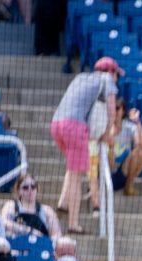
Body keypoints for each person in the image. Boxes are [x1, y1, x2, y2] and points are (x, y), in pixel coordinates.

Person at [51, 57, 120, 235]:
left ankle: (63, 203)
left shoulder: (80, 77)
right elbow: (112, 112)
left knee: (72, 168)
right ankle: (73, 223)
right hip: (74, 127)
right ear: (111, 72)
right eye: (116, 74)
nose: (117, 78)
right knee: (77, 176)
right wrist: (105, 135)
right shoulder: (108, 80)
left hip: (56, 124)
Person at [90, 97, 142, 205]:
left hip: (122, 172)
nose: (114, 112)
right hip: (105, 175)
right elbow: (109, 164)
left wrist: (137, 122)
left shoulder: (128, 126)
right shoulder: (103, 127)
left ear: (123, 111)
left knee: (141, 152)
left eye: (117, 108)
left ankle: (129, 186)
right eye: (112, 109)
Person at [0, 173, 60, 239]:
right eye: (25, 187)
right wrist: (29, 231)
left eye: (33, 187)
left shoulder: (47, 210)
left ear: (37, 189)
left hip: (41, 246)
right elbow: (4, 222)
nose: (30, 190)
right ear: (18, 191)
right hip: (16, 244)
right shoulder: (11, 205)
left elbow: (57, 234)